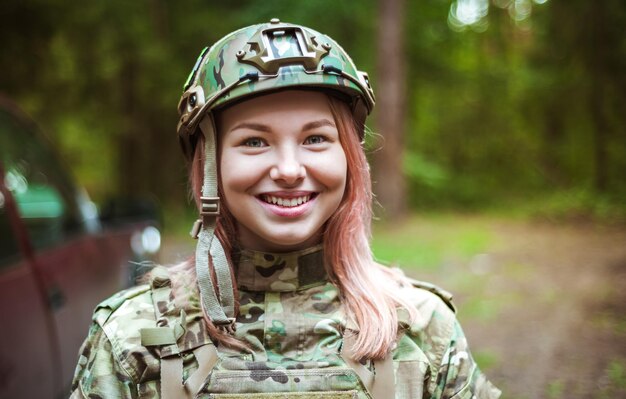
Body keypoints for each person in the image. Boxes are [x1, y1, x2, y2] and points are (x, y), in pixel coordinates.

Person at [71, 19, 501, 398]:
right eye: (254, 141)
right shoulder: (134, 337)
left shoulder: (422, 329)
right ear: (209, 167)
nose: (290, 170)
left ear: (349, 157)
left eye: (316, 138)